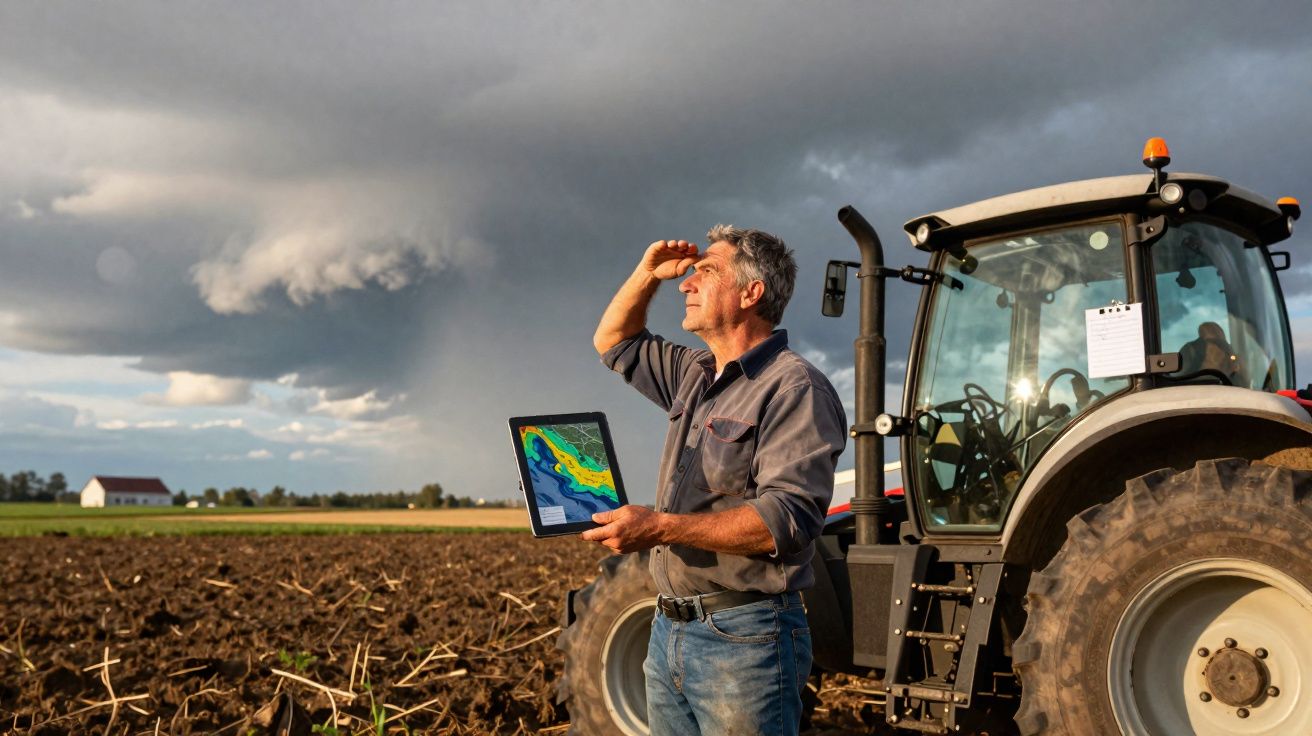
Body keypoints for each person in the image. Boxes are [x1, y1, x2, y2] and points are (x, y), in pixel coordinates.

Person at [583, 225, 847, 736]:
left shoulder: (795, 387)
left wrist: (658, 527)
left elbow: (782, 522)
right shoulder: (694, 372)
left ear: (752, 293)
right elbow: (612, 340)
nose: (687, 283)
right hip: (668, 629)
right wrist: (647, 273)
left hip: (745, 640)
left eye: (707, 271)